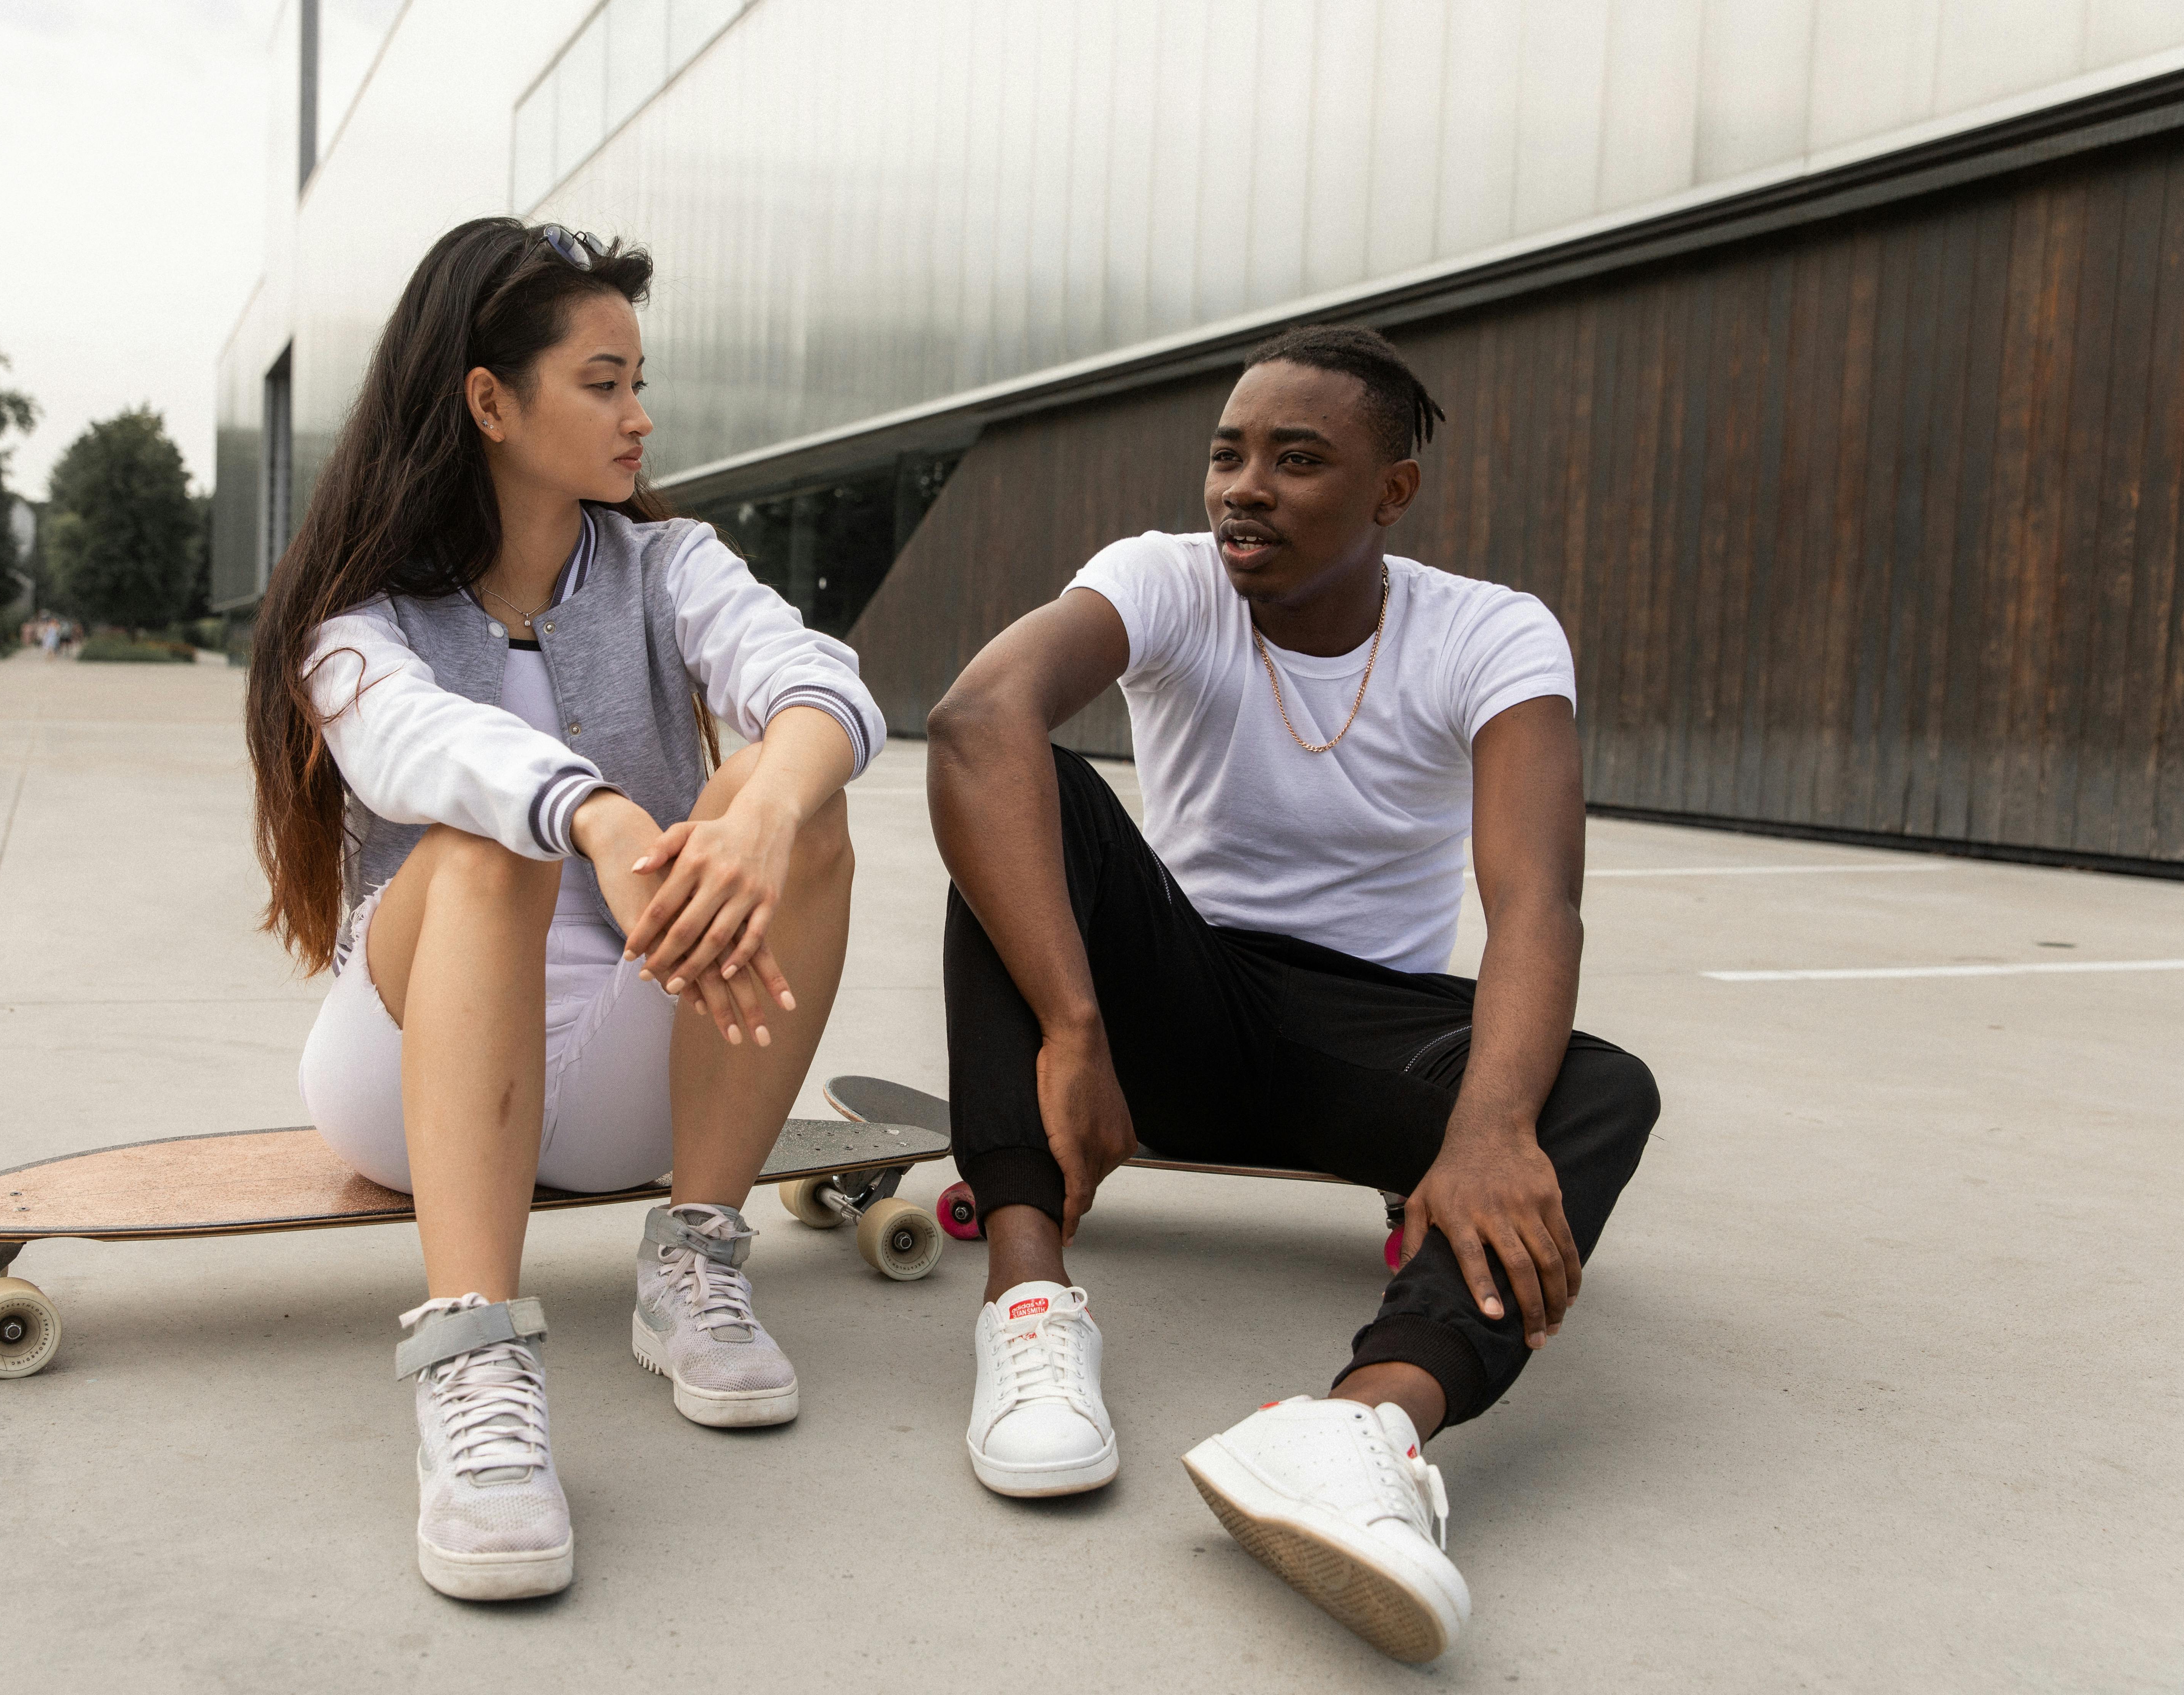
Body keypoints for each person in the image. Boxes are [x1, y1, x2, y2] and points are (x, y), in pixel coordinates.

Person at [923, 324, 1659, 1662]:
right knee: (1021, 800)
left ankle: (1360, 1425)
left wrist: (1490, 1125)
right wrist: (1079, 1030)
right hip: (1178, 1000)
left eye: (1299, 460)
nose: (1244, 487)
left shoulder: (1492, 632)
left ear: (1394, 492)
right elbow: (980, 722)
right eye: (1229, 454)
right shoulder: (1165, 581)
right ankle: (1028, 1300)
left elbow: (1537, 903)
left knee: (1601, 1088)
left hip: (1365, 1032)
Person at [244, 219, 881, 1602]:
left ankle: (696, 1258)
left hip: (653, 1065)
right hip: (407, 1075)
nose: (640, 417)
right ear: (489, 400)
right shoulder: (359, 614)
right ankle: (474, 1355)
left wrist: (765, 803)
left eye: (638, 379)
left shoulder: (670, 566)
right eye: (603, 381)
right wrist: (595, 811)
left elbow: (818, 677)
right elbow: (419, 748)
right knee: (489, 844)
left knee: (806, 787)